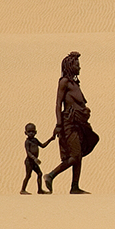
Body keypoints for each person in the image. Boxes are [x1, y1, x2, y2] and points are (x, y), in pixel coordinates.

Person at [43, 52, 99, 194]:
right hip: (69, 123)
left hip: (79, 123)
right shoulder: (64, 82)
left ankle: (74, 186)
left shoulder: (75, 83)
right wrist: (59, 124)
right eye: (77, 65)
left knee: (78, 154)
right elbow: (58, 104)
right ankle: (51, 175)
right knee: (74, 156)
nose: (79, 68)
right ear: (70, 66)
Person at [20, 123, 56, 195]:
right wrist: (34, 158)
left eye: (33, 132)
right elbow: (28, 152)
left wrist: (50, 139)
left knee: (39, 174)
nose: (31, 133)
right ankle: (22, 190)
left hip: (34, 162)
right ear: (25, 133)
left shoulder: (35, 140)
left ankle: (40, 190)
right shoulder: (27, 142)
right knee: (28, 175)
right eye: (29, 132)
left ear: (36, 132)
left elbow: (42, 145)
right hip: (29, 162)